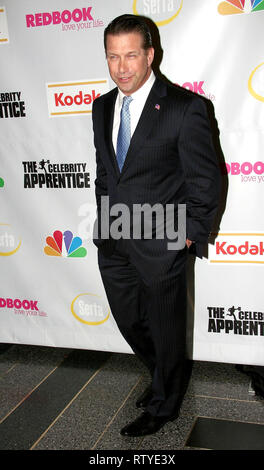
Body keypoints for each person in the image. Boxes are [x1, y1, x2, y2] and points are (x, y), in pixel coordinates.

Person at [92, 14, 220, 437]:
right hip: (114, 239)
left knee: (168, 329)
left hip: (164, 240)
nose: (122, 67)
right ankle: (165, 375)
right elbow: (106, 170)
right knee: (130, 321)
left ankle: (165, 404)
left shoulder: (185, 108)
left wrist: (188, 233)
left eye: (131, 55)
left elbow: (207, 179)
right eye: (113, 56)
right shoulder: (103, 106)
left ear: (150, 54)